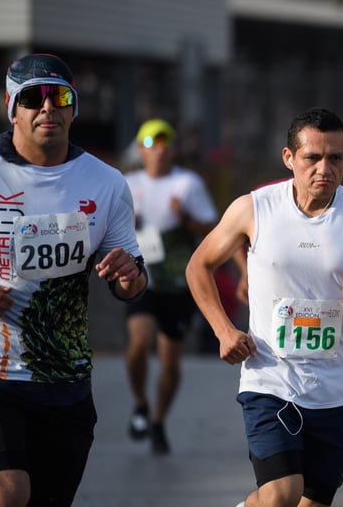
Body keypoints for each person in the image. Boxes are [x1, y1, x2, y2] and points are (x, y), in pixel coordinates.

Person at [185, 107, 343, 507]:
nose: (324, 168)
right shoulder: (254, 208)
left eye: (335, 158)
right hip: (270, 381)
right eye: (312, 158)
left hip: (337, 392)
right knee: (280, 494)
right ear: (289, 159)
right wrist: (223, 330)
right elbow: (199, 265)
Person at [0, 53, 147, 507]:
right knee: (6, 496)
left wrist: (128, 275)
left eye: (59, 96)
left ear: (73, 108)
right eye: (32, 98)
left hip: (62, 375)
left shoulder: (105, 183)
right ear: (11, 106)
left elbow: (130, 280)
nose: (47, 107)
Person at [123, 118, 218, 454]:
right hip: (141, 279)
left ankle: (159, 419)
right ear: (141, 150)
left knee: (170, 362)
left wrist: (185, 217)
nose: (159, 150)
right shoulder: (127, 183)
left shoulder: (187, 183)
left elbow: (211, 228)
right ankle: (139, 403)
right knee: (138, 344)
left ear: (173, 149)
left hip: (177, 283)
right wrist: (126, 222)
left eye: (165, 143)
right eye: (152, 143)